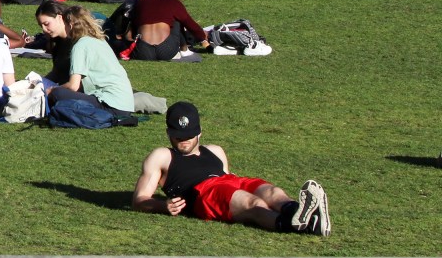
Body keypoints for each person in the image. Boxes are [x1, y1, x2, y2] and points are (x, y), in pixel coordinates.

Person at [132, 101, 330, 235]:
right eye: (178, 136)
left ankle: (305, 216)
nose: (184, 141)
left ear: (199, 132)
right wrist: (161, 205)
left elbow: (228, 179)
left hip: (230, 181)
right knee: (252, 203)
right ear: (168, 133)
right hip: (203, 193)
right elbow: (139, 200)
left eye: (189, 136)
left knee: (272, 192)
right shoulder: (162, 156)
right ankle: (299, 223)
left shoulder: (215, 150)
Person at [44, 5, 135, 112]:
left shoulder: (80, 46)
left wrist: (52, 90)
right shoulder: (98, 40)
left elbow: (73, 85)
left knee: (57, 94)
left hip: (108, 103)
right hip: (126, 104)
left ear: (71, 25)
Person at [128, 0, 211, 61]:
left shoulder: (140, 3)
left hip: (143, 51)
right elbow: (190, 24)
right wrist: (202, 36)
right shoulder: (174, 3)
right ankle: (184, 50)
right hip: (166, 50)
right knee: (177, 21)